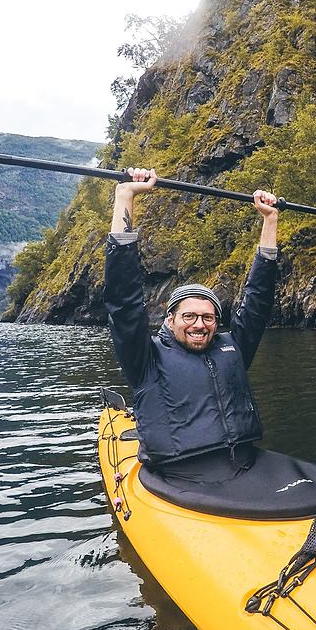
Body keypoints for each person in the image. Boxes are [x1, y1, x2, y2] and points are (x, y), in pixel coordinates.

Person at [104, 168, 279, 478]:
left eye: (208, 317)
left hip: (245, 463)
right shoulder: (145, 359)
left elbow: (258, 300)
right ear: (170, 320)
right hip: (178, 476)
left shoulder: (233, 347)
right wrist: (125, 195)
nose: (200, 324)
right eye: (189, 316)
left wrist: (270, 220)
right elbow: (123, 298)